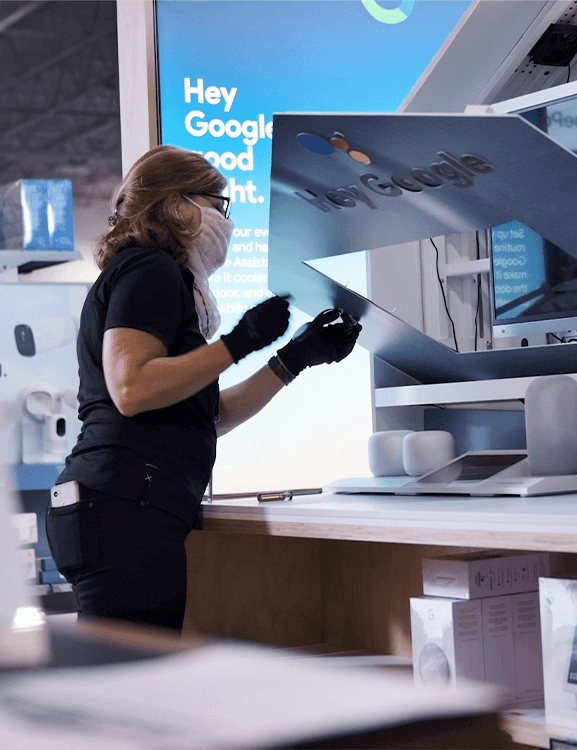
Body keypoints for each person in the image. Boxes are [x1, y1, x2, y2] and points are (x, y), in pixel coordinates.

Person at [46, 145, 361, 630]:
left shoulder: (150, 277)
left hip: (117, 505)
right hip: (125, 508)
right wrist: (240, 341)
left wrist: (294, 358)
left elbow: (210, 418)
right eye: (219, 204)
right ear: (176, 205)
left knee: (130, 681)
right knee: (137, 688)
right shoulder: (150, 268)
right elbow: (131, 388)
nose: (224, 220)